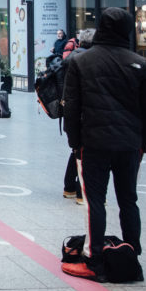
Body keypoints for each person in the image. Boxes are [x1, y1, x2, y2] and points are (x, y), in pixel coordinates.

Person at [62, 8, 146, 281]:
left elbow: (72, 108)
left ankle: (94, 258)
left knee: (95, 201)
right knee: (129, 199)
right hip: (130, 145)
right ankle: (132, 252)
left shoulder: (82, 62)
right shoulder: (139, 63)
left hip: (93, 143)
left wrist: (75, 142)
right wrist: (145, 145)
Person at [62, 28, 95, 204]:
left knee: (77, 150)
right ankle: (81, 191)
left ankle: (69, 187)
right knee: (84, 153)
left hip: (71, 111)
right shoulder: (87, 61)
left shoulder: (72, 57)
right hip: (84, 112)